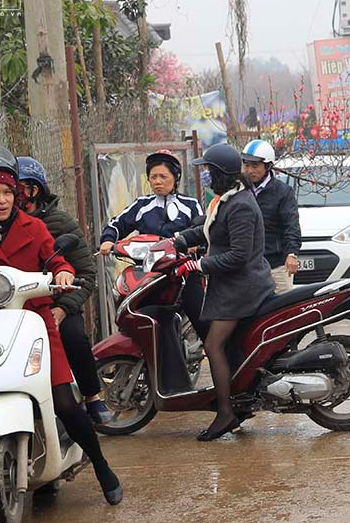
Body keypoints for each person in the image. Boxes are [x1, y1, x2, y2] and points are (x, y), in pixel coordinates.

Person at [0, 145, 122, 516]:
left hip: (35, 321)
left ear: (17, 194)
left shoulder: (34, 228)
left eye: (7, 192)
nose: (2, 200)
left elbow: (57, 260)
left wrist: (62, 273)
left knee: (63, 402)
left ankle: (102, 468)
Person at [175, 144, 274, 442]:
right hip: (231, 286)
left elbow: (239, 256)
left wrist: (199, 264)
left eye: (208, 171)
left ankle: (225, 412)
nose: (205, 176)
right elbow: (209, 231)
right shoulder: (228, 199)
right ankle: (239, 400)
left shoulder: (241, 205)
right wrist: (176, 240)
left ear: (221, 174)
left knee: (213, 345)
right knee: (229, 345)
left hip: (242, 288)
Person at [17, 156, 111, 424]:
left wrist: (63, 308)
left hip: (56, 305)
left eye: (21, 188)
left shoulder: (60, 223)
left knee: (74, 336)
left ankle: (91, 395)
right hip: (14, 308)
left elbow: (86, 273)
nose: (12, 196)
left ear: (36, 190)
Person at [97, 150, 208, 341]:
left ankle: (213, 350)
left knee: (202, 319)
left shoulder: (190, 205)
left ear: (176, 178)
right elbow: (116, 224)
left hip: (183, 273)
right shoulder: (141, 205)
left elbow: (202, 231)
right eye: (153, 177)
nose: (157, 181)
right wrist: (108, 240)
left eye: (163, 176)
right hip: (147, 273)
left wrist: (194, 245)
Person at [240, 140, 301, 293]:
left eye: (255, 166)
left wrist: (292, 254)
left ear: (268, 166)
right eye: (246, 165)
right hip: (245, 266)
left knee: (283, 305)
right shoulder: (239, 190)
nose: (250, 170)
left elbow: (291, 225)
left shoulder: (283, 192)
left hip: (276, 265)